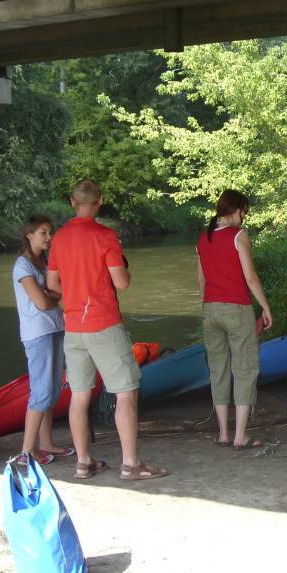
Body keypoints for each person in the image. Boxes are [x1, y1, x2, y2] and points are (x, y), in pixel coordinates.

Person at [46, 179, 168, 481]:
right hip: (103, 323)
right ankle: (130, 464)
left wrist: (73, 295)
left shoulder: (59, 238)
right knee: (126, 392)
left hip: (73, 326)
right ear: (100, 201)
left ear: (72, 202)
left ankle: (83, 463)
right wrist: (125, 270)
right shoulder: (106, 236)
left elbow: (52, 284)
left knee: (79, 395)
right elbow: (121, 283)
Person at [196, 190, 274, 450]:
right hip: (237, 309)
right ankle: (240, 436)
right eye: (245, 212)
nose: (245, 217)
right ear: (237, 209)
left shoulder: (203, 238)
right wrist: (265, 307)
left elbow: (201, 280)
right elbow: (250, 277)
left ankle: (223, 434)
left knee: (218, 370)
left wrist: (208, 306)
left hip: (210, 310)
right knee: (244, 368)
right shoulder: (238, 236)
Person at [12, 215, 74, 465]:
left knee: (52, 390)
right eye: (43, 233)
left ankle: (46, 444)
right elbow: (41, 302)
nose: (49, 237)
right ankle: (27, 452)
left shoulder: (45, 262)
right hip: (37, 333)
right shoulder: (22, 265)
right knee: (41, 392)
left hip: (55, 328)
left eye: (50, 232)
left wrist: (53, 296)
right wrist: (54, 297)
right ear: (29, 235)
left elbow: (58, 292)